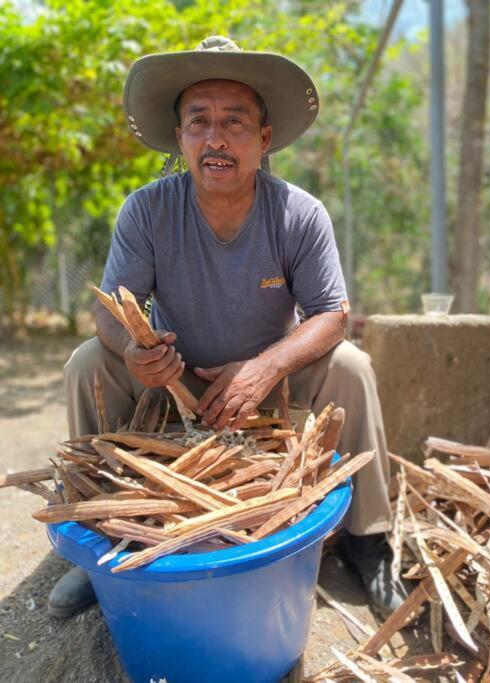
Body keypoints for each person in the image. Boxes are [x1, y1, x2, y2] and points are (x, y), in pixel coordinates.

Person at [48, 35, 407, 619]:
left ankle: (370, 541)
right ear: (181, 137)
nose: (215, 138)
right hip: (174, 389)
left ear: (264, 140)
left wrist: (264, 367)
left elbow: (332, 313)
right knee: (88, 359)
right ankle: (101, 536)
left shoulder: (299, 213)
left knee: (352, 366)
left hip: (271, 391)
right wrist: (135, 352)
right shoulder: (146, 210)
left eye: (234, 122)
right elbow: (110, 310)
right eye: (199, 121)